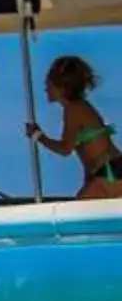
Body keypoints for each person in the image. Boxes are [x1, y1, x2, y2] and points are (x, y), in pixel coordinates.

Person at [28, 55, 122, 201]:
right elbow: (88, 150)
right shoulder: (79, 107)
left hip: (110, 173)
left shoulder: (73, 110)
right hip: (110, 170)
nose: (46, 88)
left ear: (62, 87)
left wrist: (38, 136)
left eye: (49, 83)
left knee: (78, 215)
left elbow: (65, 149)